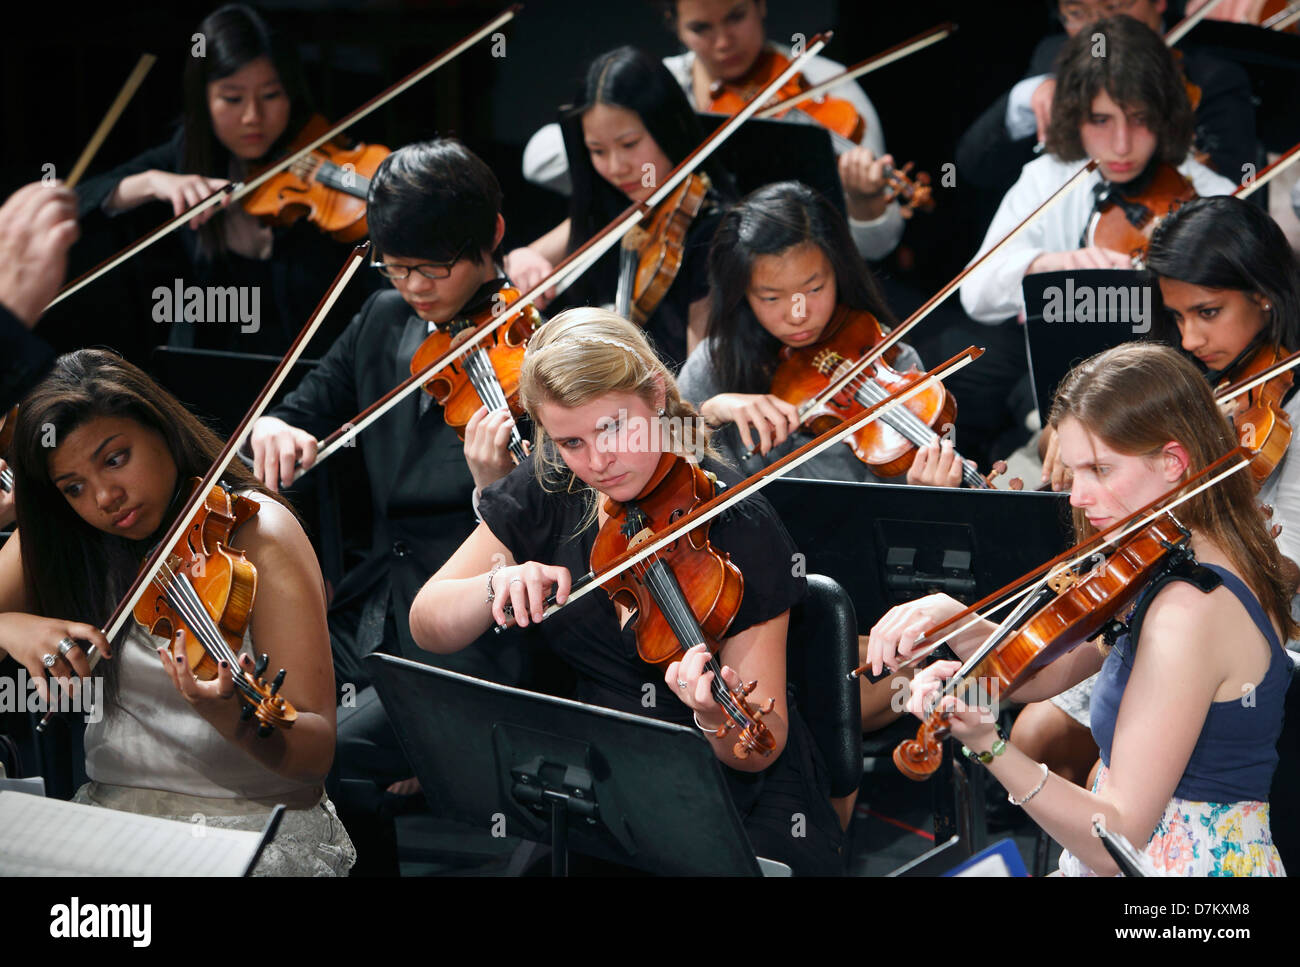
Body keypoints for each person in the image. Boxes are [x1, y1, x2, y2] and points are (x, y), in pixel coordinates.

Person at [409, 307, 847, 874]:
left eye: (615, 428)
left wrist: (712, 714)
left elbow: (760, 747)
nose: (598, 461)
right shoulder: (550, 482)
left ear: (658, 398)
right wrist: (495, 582)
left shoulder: (738, 523)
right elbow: (427, 623)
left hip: (736, 796)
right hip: (604, 780)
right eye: (570, 441)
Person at [869, 342, 1294, 876]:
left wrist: (989, 747)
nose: (1076, 497)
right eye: (1075, 471)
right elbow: (1039, 674)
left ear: (1172, 462)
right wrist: (952, 619)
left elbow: (1115, 841)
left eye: (1100, 470)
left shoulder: (1187, 609)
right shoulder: (1171, 559)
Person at [247, 138, 529, 800]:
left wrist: (500, 489)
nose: (415, 288)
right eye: (395, 268)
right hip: (369, 609)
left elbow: (560, 525)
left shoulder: (540, 350)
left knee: (318, 756)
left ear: (492, 234)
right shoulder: (382, 317)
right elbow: (302, 405)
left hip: (471, 641)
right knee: (250, 712)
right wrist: (276, 427)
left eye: (433, 268)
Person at [0, 350, 354, 875]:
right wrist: (10, 626)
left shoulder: (259, 534)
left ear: (161, 429)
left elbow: (314, 756)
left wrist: (231, 716)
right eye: (73, 486)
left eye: (115, 458)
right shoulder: (72, 536)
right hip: (112, 821)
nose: (105, 497)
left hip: (248, 828)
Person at [1017, 195, 1300, 787]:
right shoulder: (1214, 387)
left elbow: (1278, 574)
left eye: (1209, 312)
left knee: (1104, 767)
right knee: (1032, 732)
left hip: (1256, 626)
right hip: (1165, 596)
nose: (1190, 339)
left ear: (1264, 294)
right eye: (1177, 318)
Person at [931, 15, 1237, 470]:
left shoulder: (1207, 192)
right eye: (1101, 120)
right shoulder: (1050, 176)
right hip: (1061, 392)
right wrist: (1054, 263)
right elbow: (977, 294)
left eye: (1140, 121)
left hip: (1164, 404)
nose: (1120, 144)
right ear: (1075, 115)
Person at [73, 4, 376, 356]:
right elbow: (79, 202)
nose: (253, 117)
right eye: (232, 98)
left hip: (314, 376)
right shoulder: (187, 154)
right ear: (204, 99)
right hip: (205, 375)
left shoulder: (322, 148)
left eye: (271, 95)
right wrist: (153, 182)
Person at [521, 0, 905, 261]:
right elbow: (539, 163)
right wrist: (661, 125)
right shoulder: (658, 87)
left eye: (735, 17)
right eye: (701, 28)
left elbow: (876, 248)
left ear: (761, 5)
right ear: (675, 25)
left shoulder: (824, 84)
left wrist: (865, 203)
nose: (723, 42)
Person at [505, 46, 736, 368]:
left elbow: (700, 378)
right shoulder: (611, 210)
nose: (616, 168)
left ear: (666, 127)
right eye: (597, 150)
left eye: (629, 145)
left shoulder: (715, 231)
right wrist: (521, 257)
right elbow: (528, 262)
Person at [955, 0, 1255, 197]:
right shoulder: (1054, 55)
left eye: (1114, 6)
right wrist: (1027, 95)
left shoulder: (1212, 75)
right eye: (1077, 13)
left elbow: (1239, 191)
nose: (1097, 30)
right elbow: (975, 167)